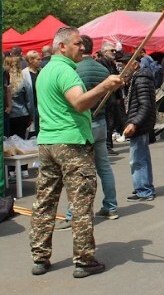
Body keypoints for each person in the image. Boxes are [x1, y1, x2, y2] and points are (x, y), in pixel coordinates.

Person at [30, 26, 124, 278]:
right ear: (62, 46)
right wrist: (104, 86)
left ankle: (40, 257)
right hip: (70, 144)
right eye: (77, 44)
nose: (82, 47)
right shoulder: (65, 71)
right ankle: (84, 260)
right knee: (81, 203)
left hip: (48, 143)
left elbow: (70, 107)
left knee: (44, 203)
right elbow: (78, 101)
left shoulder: (45, 71)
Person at [56, 35, 121, 230]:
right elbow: (111, 99)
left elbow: (72, 101)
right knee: (104, 167)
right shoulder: (103, 70)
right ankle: (110, 206)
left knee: (78, 172)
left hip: (83, 124)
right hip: (100, 122)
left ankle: (72, 213)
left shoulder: (73, 70)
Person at [123, 57, 157, 201]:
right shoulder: (138, 78)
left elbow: (145, 105)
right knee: (142, 157)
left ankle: (144, 190)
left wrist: (134, 123)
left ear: (135, 65)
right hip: (141, 122)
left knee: (137, 159)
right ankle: (145, 187)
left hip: (140, 124)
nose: (123, 70)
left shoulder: (140, 79)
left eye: (126, 66)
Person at [5, 55, 32, 177]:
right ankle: (23, 169)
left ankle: (10, 169)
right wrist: (31, 115)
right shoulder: (23, 80)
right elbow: (29, 99)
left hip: (9, 115)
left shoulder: (5, 80)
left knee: (9, 144)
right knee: (22, 142)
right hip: (22, 114)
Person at [98, 41, 125, 155]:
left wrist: (119, 96)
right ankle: (107, 145)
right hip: (106, 97)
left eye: (115, 50)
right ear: (104, 52)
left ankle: (108, 144)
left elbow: (116, 79)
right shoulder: (101, 64)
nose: (114, 52)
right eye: (112, 51)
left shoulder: (112, 64)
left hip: (113, 96)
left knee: (111, 121)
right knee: (108, 121)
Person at [23, 50, 42, 137]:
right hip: (32, 105)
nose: (40, 61)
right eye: (38, 59)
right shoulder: (24, 74)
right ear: (31, 60)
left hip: (42, 104)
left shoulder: (41, 72)